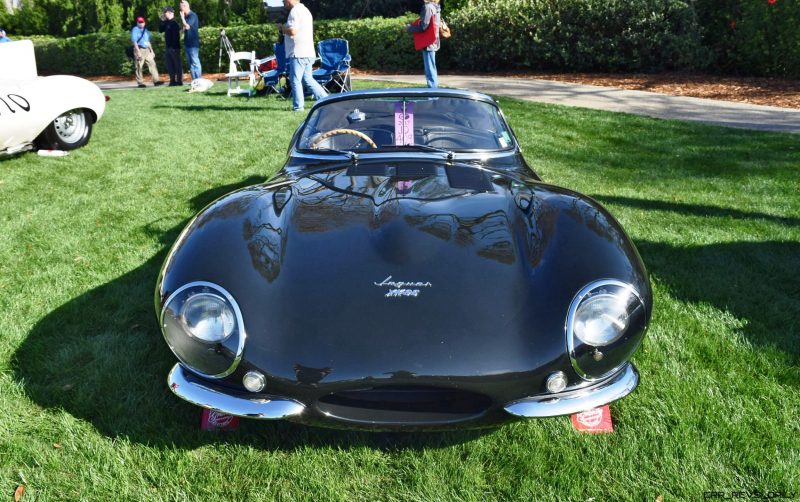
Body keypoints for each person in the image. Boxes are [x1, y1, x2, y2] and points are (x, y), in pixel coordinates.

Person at [277, 0, 328, 112]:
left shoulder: (294, 11)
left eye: (284, 0)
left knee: (295, 80)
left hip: (298, 52)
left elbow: (293, 31)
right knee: (308, 79)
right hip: (308, 52)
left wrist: (282, 28)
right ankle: (326, 100)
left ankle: (298, 107)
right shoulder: (305, 10)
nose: (282, 2)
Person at [405, 0, 441, 88]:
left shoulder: (428, 7)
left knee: (430, 71)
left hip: (428, 43)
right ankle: (434, 94)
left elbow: (423, 26)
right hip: (434, 41)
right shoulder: (436, 7)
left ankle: (432, 96)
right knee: (432, 69)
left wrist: (409, 28)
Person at [130, 17, 162, 88]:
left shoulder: (146, 30)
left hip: (147, 50)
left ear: (144, 23)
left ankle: (156, 81)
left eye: (142, 22)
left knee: (152, 63)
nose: (141, 23)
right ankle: (140, 83)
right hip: (139, 49)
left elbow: (148, 41)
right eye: (139, 22)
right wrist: (138, 52)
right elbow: (134, 42)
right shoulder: (135, 30)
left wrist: (151, 50)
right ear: (137, 23)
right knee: (139, 66)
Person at [159, 7, 183, 86]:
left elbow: (176, 37)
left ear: (170, 13)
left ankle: (179, 81)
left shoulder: (174, 23)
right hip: (168, 47)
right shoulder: (167, 22)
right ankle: (172, 80)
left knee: (177, 65)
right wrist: (162, 21)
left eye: (165, 13)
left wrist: (174, 47)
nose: (164, 14)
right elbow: (160, 29)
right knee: (169, 65)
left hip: (174, 47)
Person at [179, 0, 202, 81]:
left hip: (193, 44)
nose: (180, 9)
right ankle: (194, 80)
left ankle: (199, 80)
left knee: (195, 62)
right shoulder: (186, 16)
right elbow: (184, 29)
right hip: (187, 43)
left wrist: (182, 18)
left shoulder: (192, 15)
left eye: (181, 7)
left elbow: (187, 26)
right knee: (191, 64)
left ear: (185, 6)